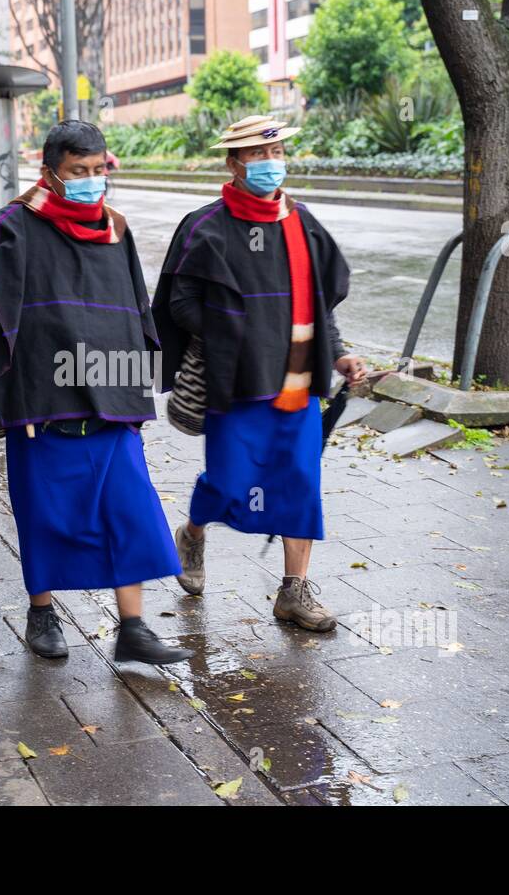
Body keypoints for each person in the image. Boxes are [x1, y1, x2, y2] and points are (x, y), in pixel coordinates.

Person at [0, 120, 192, 666]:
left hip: (112, 394)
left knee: (129, 511)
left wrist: (137, 374)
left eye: (100, 170)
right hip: (41, 402)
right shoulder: (13, 226)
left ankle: (134, 627)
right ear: (50, 172)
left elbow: (135, 306)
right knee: (45, 515)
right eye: (80, 172)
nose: (92, 181)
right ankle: (42, 612)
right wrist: (16, 321)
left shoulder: (114, 228)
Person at [152, 116, 369, 633]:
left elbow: (321, 304)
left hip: (296, 383)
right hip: (235, 384)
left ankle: (293, 591)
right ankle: (194, 534)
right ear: (233, 163)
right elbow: (179, 303)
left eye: (276, 154)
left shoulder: (303, 223)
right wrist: (233, 334)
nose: (270, 164)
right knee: (230, 483)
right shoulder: (205, 228)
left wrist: (337, 354)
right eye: (256, 155)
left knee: (300, 483)